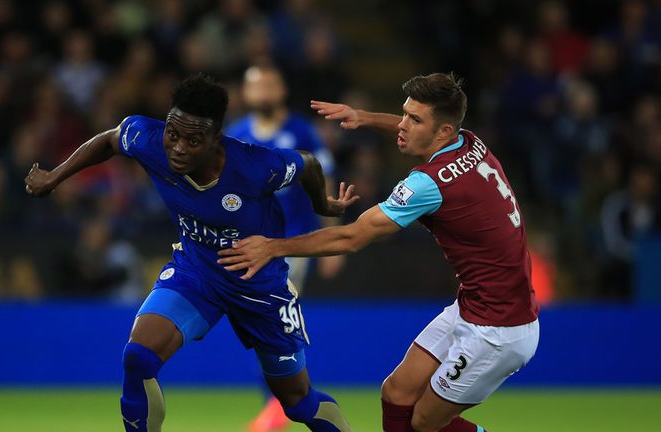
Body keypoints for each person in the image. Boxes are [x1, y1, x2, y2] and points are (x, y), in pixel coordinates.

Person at [24, 74, 357, 432]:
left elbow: (309, 164)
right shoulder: (148, 139)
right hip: (197, 272)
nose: (178, 148)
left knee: (298, 401)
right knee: (138, 356)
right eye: (173, 134)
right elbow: (109, 140)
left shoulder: (255, 166)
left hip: (259, 285)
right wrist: (55, 177)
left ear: (216, 139)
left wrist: (323, 205)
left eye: (193, 140)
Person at [218, 73, 540, 432]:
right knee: (396, 393)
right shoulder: (469, 141)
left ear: (444, 131)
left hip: (499, 329)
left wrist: (272, 247)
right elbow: (420, 128)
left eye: (414, 120)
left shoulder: (427, 184)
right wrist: (364, 117)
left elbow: (351, 238)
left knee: (425, 422)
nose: (402, 125)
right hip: (474, 307)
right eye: (404, 114)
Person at [227, 64, 346, 432]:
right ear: (246, 93)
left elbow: (323, 182)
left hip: (292, 243)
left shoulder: (301, 131)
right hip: (248, 245)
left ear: (282, 90)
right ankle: (282, 401)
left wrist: (332, 239)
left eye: (269, 84)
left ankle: (281, 404)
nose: (263, 91)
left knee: (271, 321)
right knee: (263, 324)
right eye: (256, 85)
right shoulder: (235, 134)